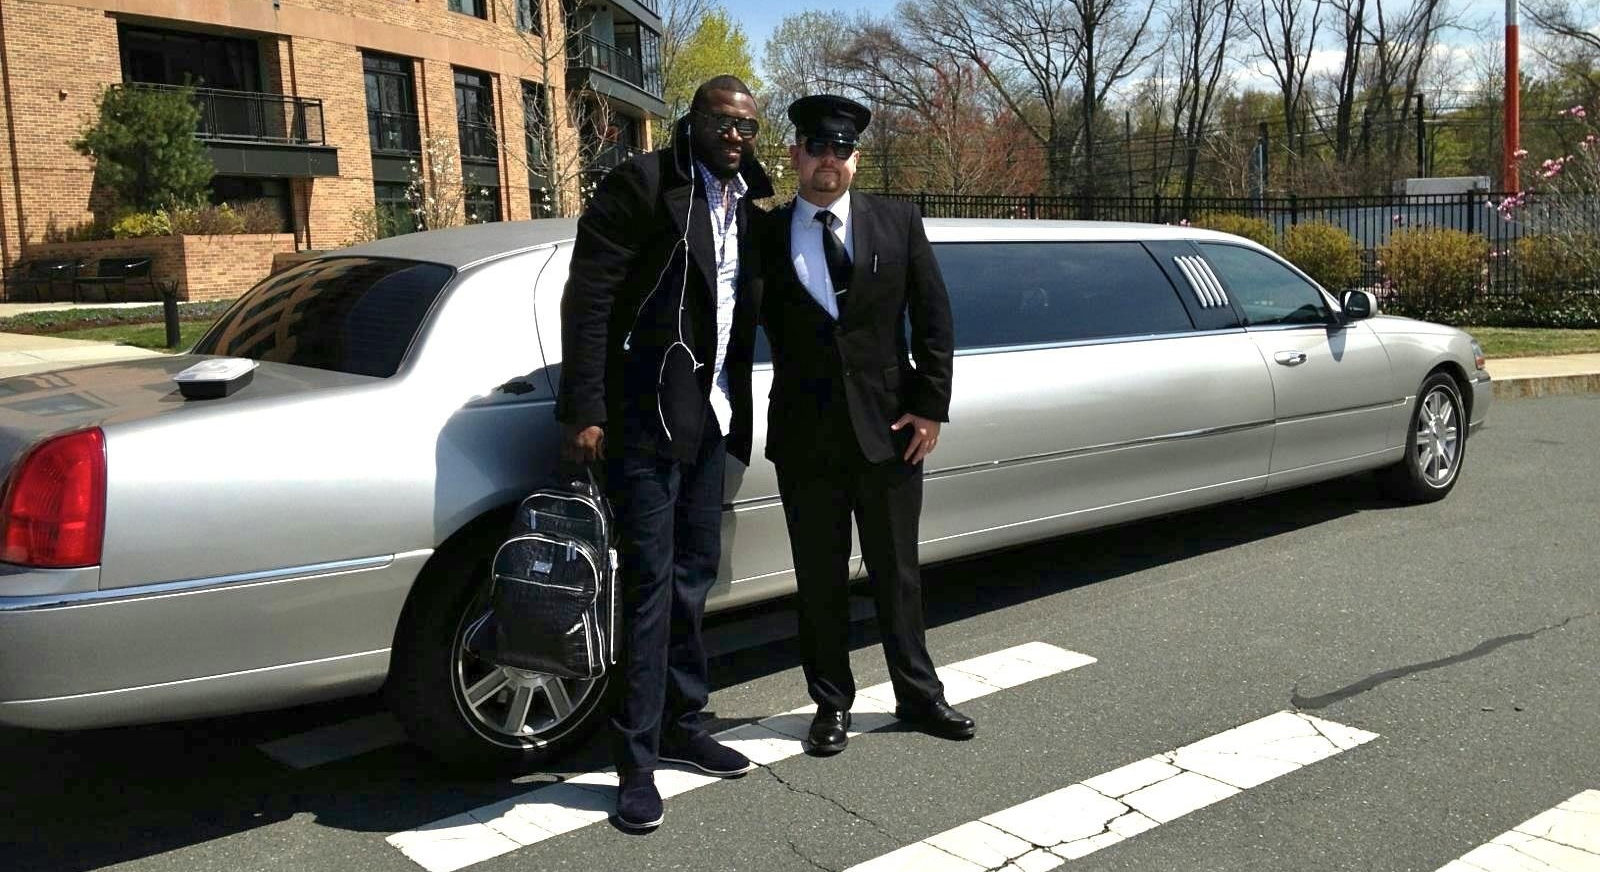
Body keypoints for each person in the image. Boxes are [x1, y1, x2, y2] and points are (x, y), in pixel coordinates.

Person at [556, 75, 773, 831]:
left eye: (747, 126)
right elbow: (589, 299)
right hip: (645, 419)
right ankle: (635, 762)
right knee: (649, 589)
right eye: (724, 122)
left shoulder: (748, 202)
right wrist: (584, 408)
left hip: (711, 416)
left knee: (692, 578)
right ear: (693, 120)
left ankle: (684, 724)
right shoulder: (643, 185)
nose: (736, 136)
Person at [760, 94, 974, 756]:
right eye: (816, 148)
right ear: (795, 155)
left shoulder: (897, 221)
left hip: (890, 430)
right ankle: (830, 703)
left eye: (841, 149)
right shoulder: (764, 232)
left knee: (897, 572)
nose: (829, 160)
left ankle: (918, 693)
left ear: (857, 158)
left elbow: (933, 319)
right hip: (805, 436)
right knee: (819, 578)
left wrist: (931, 406)